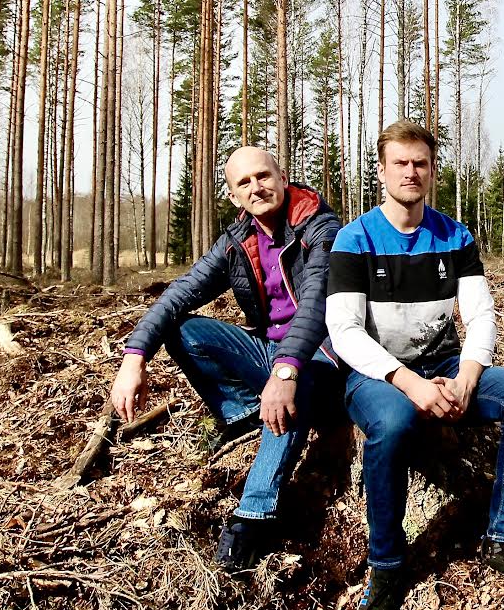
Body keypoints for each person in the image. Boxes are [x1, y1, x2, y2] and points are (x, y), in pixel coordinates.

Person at [326, 120, 504, 610]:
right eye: (400, 163)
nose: (411, 172)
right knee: (394, 420)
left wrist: (467, 377)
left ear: (432, 169)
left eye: (421, 163)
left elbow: (479, 316)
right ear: (382, 170)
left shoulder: (454, 236)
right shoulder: (354, 239)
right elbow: (344, 332)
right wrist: (409, 384)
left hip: (445, 362)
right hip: (376, 373)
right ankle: (386, 567)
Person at [110, 146, 341, 569]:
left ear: (282, 176)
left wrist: (286, 370)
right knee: (182, 327)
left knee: (292, 392)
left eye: (263, 176)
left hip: (322, 355)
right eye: (244, 183)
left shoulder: (318, 227)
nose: (257, 187)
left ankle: (254, 514)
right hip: (268, 351)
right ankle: (240, 416)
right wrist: (134, 356)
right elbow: (179, 293)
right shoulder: (238, 240)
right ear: (234, 196)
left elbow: (316, 304)